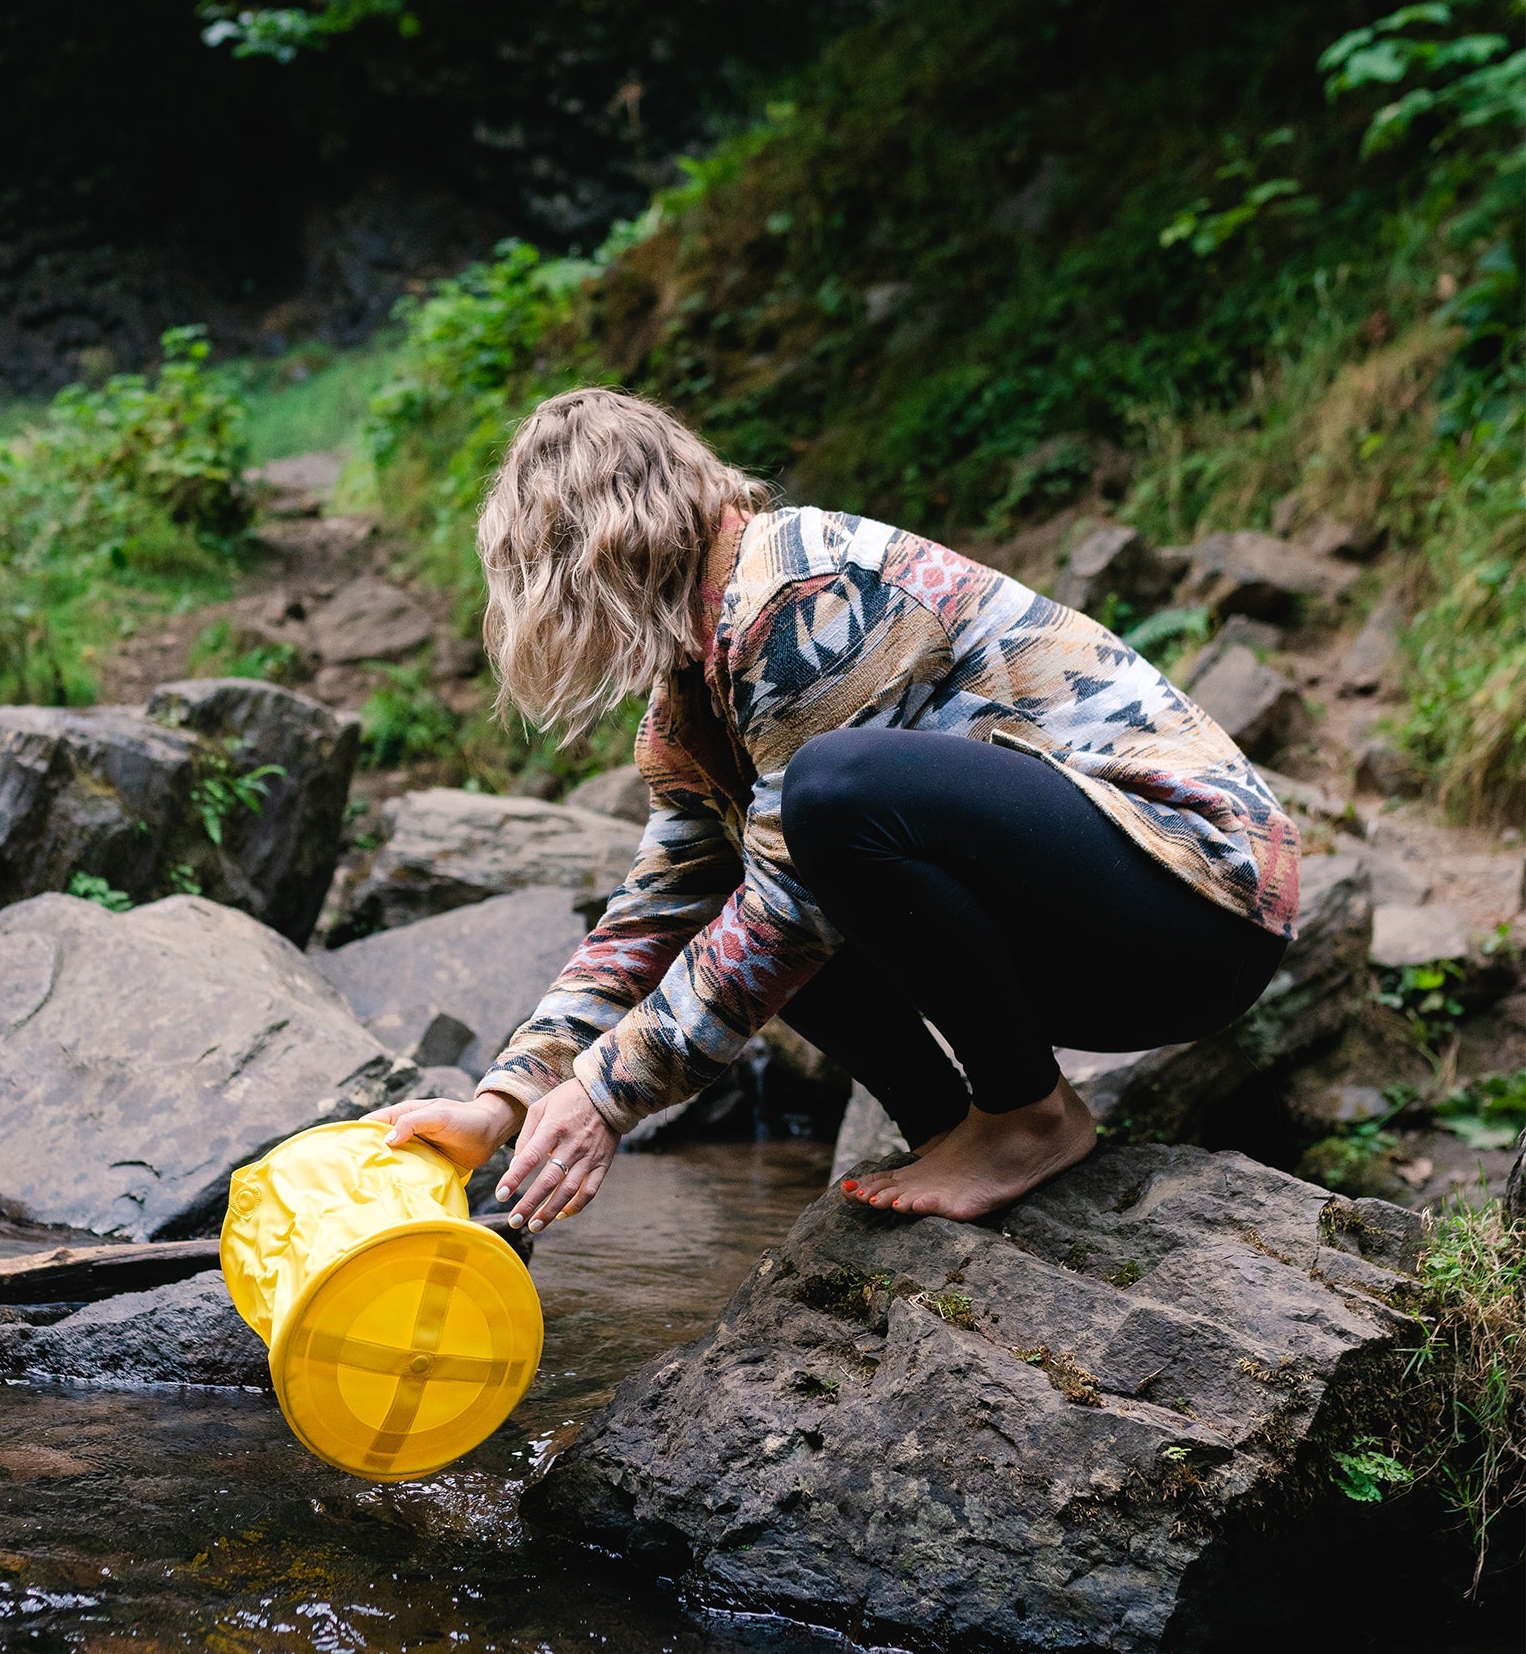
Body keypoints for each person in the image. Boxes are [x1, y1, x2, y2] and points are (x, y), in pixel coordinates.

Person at [378, 388, 1299, 1229]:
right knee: (761, 862)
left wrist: (606, 1096)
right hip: (1085, 943)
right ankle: (951, 1128)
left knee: (829, 800)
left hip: (1192, 905)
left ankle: (1024, 1116)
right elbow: (658, 909)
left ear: (599, 549)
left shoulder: (803, 594)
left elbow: (786, 906)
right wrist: (501, 1103)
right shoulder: (694, 694)